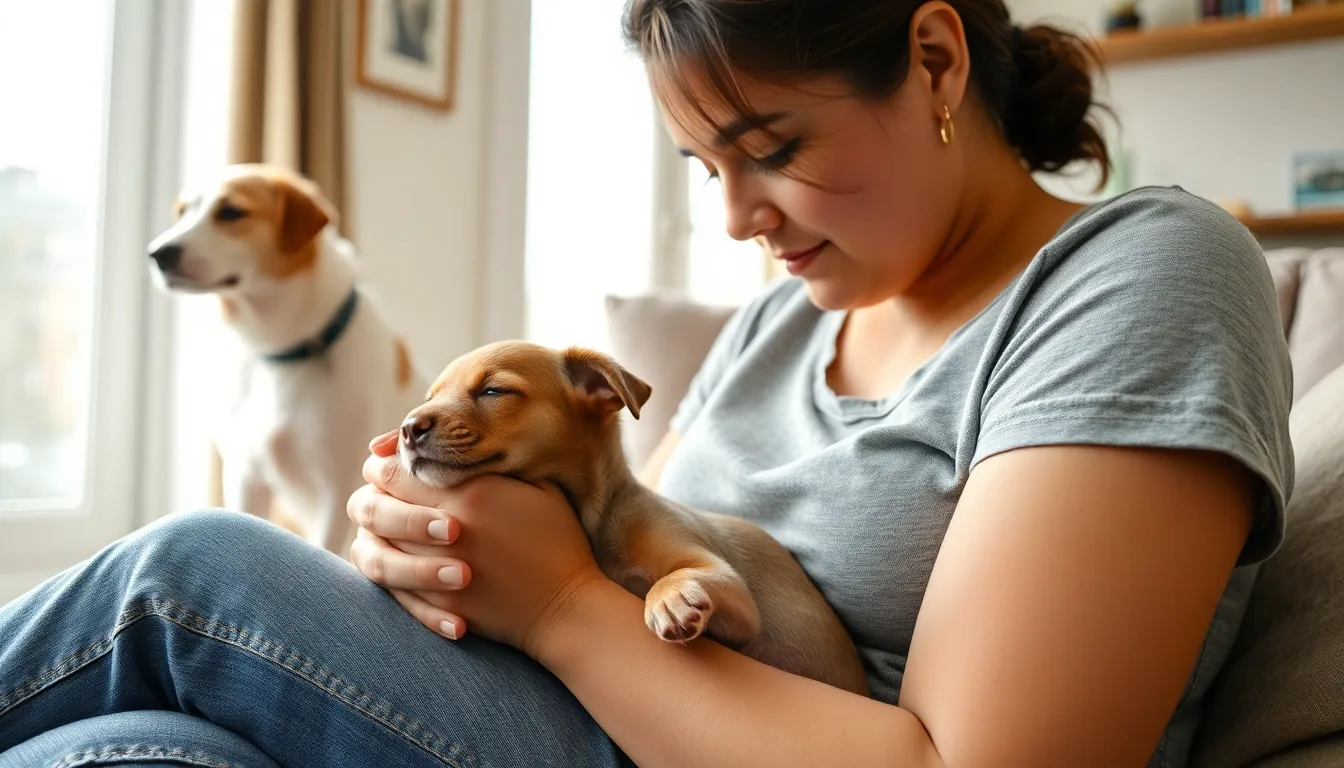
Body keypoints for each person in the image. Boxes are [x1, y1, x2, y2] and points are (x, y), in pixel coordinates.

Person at [0, 0, 1294, 765]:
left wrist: (558, 603)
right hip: (575, 719)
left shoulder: (1143, 273)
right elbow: (637, 551)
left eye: (770, 148)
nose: (736, 217)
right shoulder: (784, 324)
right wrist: (445, 548)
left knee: (184, 581)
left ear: (941, 63)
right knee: (131, 753)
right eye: (700, 167)